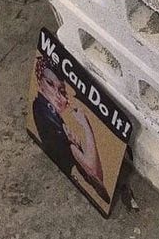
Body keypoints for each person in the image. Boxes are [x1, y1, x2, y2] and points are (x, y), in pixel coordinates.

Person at [32, 55, 110, 204]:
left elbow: (99, 183)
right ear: (40, 82)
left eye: (61, 91)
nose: (57, 95)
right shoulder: (44, 111)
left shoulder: (53, 117)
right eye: (50, 84)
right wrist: (85, 126)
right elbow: (94, 173)